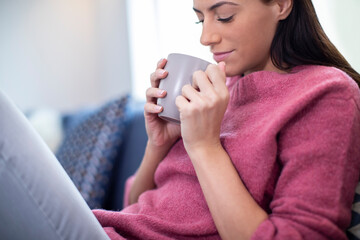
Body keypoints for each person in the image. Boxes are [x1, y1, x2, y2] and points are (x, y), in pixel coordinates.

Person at [0, 0, 359, 239]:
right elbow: (135, 211)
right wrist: (160, 144)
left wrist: (204, 147)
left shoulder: (326, 93)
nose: (207, 37)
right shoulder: (219, 91)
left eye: (225, 15)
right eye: (200, 18)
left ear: (281, 4)